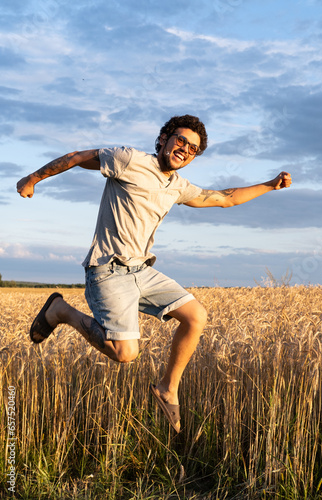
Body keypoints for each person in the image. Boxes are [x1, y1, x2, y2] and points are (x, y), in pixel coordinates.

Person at [17, 114, 292, 433]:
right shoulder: (129, 159)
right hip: (108, 270)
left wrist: (271, 185)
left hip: (142, 270)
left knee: (196, 316)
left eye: (193, 149)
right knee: (124, 353)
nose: (185, 149)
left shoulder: (178, 186)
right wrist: (33, 178)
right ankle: (61, 311)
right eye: (181, 140)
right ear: (163, 138)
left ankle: (167, 388)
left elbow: (226, 198)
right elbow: (79, 157)